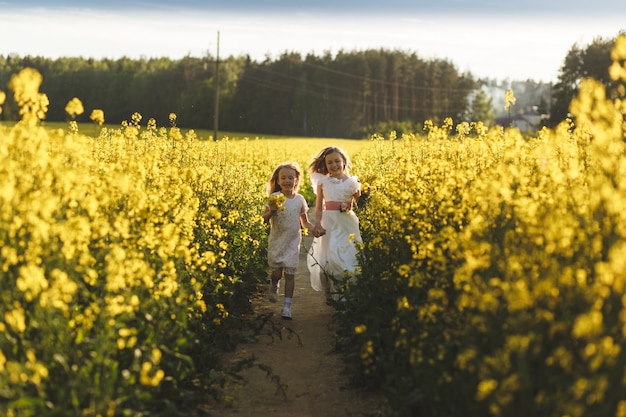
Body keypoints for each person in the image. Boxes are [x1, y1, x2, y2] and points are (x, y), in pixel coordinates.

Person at [307, 146, 363, 303]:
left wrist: (365, 196)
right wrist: (317, 224)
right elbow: (318, 208)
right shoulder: (323, 182)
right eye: (329, 162)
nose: (334, 165)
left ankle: (347, 297)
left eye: (337, 161)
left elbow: (361, 204)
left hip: (348, 224)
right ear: (325, 165)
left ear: (344, 162)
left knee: (348, 258)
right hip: (329, 224)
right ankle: (329, 293)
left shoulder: (353, 183)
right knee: (328, 259)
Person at [262, 162, 314, 320]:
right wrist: (272, 211)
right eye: (283, 178)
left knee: (290, 275)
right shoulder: (274, 198)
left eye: (290, 178)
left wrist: (315, 229)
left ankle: (286, 306)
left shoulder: (299, 200)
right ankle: (274, 284)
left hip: (292, 242)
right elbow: (264, 220)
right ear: (277, 181)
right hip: (277, 241)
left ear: (296, 181)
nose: (287, 181)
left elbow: (305, 222)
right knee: (277, 273)